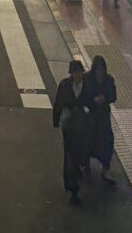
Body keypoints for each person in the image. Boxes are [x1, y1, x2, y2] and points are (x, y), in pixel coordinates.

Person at [52, 59, 91, 206]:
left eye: (80, 72)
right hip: (68, 125)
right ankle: (73, 187)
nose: (78, 75)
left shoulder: (87, 86)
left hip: (82, 125)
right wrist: (56, 119)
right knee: (70, 155)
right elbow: (59, 103)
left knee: (79, 152)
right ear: (71, 74)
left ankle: (78, 167)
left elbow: (90, 102)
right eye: (75, 73)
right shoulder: (65, 85)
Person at [85, 55, 117, 185]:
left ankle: (105, 168)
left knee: (107, 141)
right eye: (98, 71)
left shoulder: (109, 80)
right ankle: (85, 163)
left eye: (102, 71)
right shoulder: (87, 79)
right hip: (91, 115)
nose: (100, 73)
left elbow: (113, 96)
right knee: (88, 140)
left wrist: (105, 98)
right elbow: (84, 96)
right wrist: (93, 101)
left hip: (103, 115)